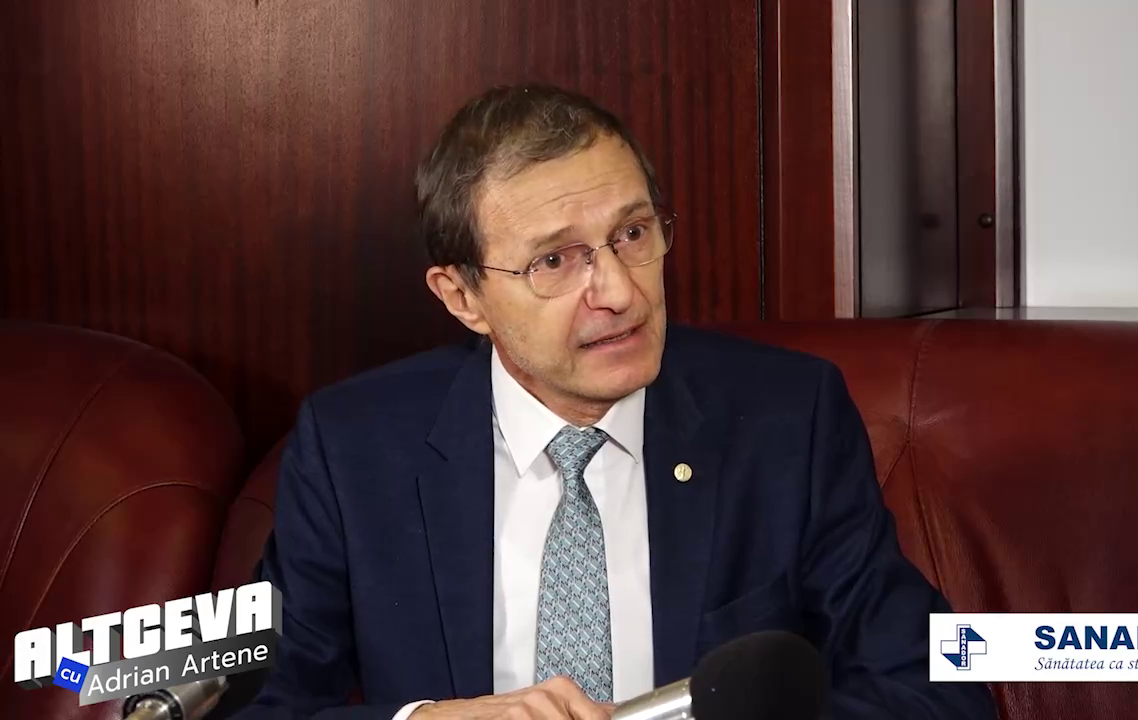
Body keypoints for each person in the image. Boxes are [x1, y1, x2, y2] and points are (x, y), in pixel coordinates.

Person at [234, 84, 996, 719]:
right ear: (463, 296)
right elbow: (250, 704)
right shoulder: (353, 447)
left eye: (632, 233)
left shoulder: (787, 419)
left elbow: (935, 686)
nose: (620, 292)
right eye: (554, 261)